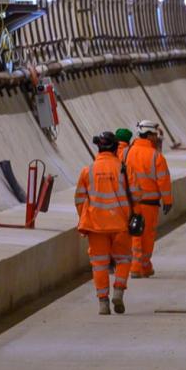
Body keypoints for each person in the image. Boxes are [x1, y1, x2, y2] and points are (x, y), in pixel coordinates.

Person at [74, 132, 132, 315]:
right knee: (123, 259)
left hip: (96, 227)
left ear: (98, 148)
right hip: (121, 224)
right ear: (116, 148)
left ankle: (103, 303)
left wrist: (85, 219)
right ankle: (119, 292)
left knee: (99, 265)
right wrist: (134, 215)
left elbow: (79, 199)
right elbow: (136, 194)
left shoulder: (88, 171)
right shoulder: (124, 169)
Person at [123, 119, 173, 277]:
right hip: (149, 204)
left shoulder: (127, 152)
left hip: (130, 202)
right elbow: (163, 180)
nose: (156, 138)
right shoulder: (156, 156)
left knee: (134, 233)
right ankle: (138, 267)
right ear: (149, 135)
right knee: (147, 235)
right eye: (154, 135)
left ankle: (143, 266)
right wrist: (168, 200)